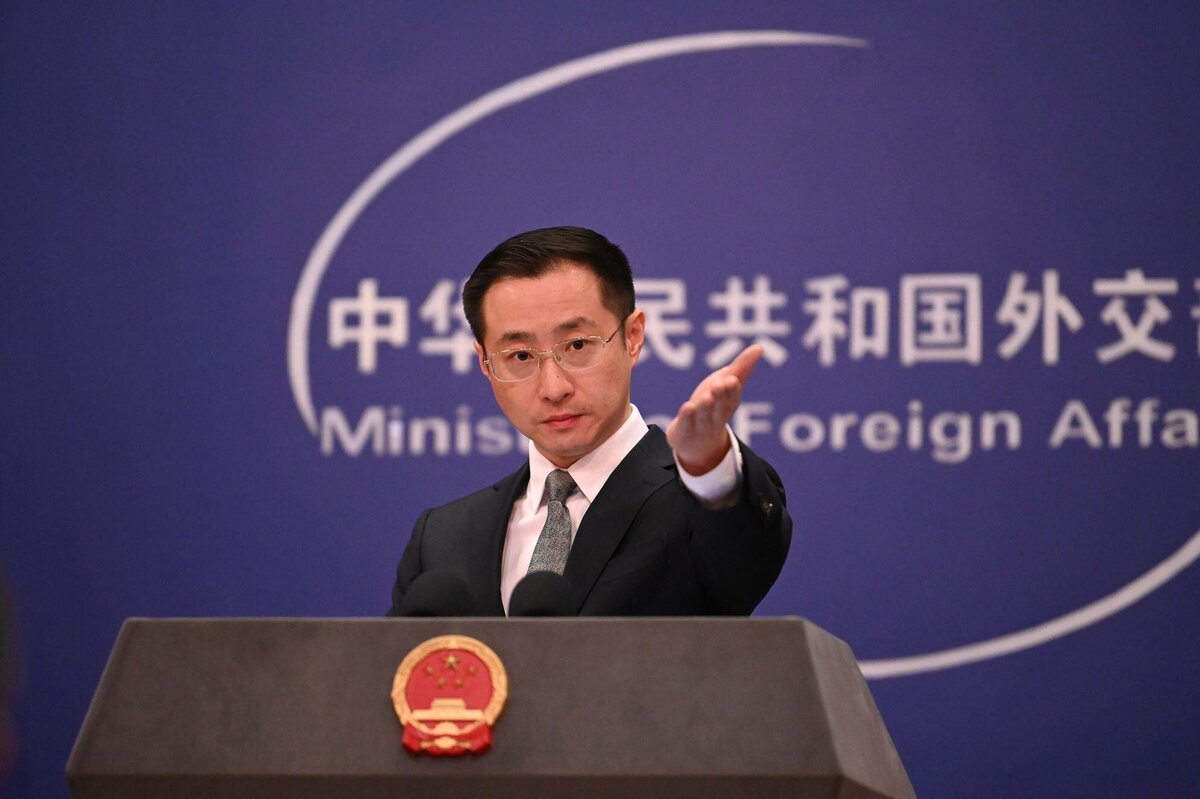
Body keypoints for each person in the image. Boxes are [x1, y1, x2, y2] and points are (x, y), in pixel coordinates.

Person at [388, 226, 791, 616]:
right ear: (485, 363)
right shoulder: (442, 538)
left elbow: (745, 562)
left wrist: (708, 466)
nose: (553, 388)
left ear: (633, 336)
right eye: (520, 356)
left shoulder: (696, 501)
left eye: (577, 345)